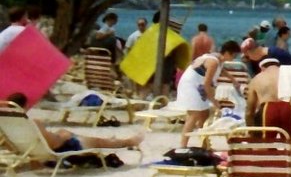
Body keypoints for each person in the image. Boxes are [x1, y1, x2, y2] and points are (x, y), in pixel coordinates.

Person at [3, 93, 141, 154]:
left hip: (29, 150)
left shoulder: (8, 124)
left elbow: (9, 145)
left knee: (66, 132)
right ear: (26, 105)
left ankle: (120, 141)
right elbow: (52, 144)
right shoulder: (34, 123)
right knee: (98, 142)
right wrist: (64, 137)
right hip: (64, 147)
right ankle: (128, 142)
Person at [175, 40, 240, 144]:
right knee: (194, 115)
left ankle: (204, 141)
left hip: (198, 85)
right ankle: (183, 146)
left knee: (205, 114)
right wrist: (215, 103)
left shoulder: (219, 59)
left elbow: (221, 70)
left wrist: (233, 80)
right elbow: (207, 84)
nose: (234, 58)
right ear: (227, 52)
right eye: (234, 55)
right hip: (190, 85)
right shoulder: (213, 62)